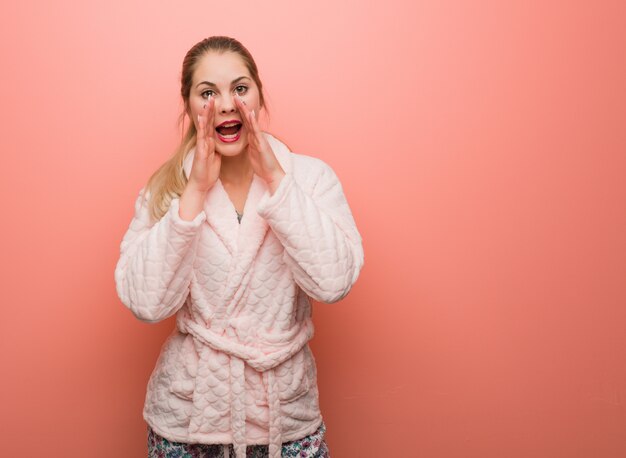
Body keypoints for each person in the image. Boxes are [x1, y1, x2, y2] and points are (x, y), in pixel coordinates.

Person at [114, 36, 364, 458]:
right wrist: (193, 193)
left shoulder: (310, 179)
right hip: (189, 418)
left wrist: (278, 181)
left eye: (240, 88)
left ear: (260, 95)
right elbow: (147, 304)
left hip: (284, 417)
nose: (226, 104)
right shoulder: (166, 190)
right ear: (190, 107)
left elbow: (334, 282)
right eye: (207, 92)